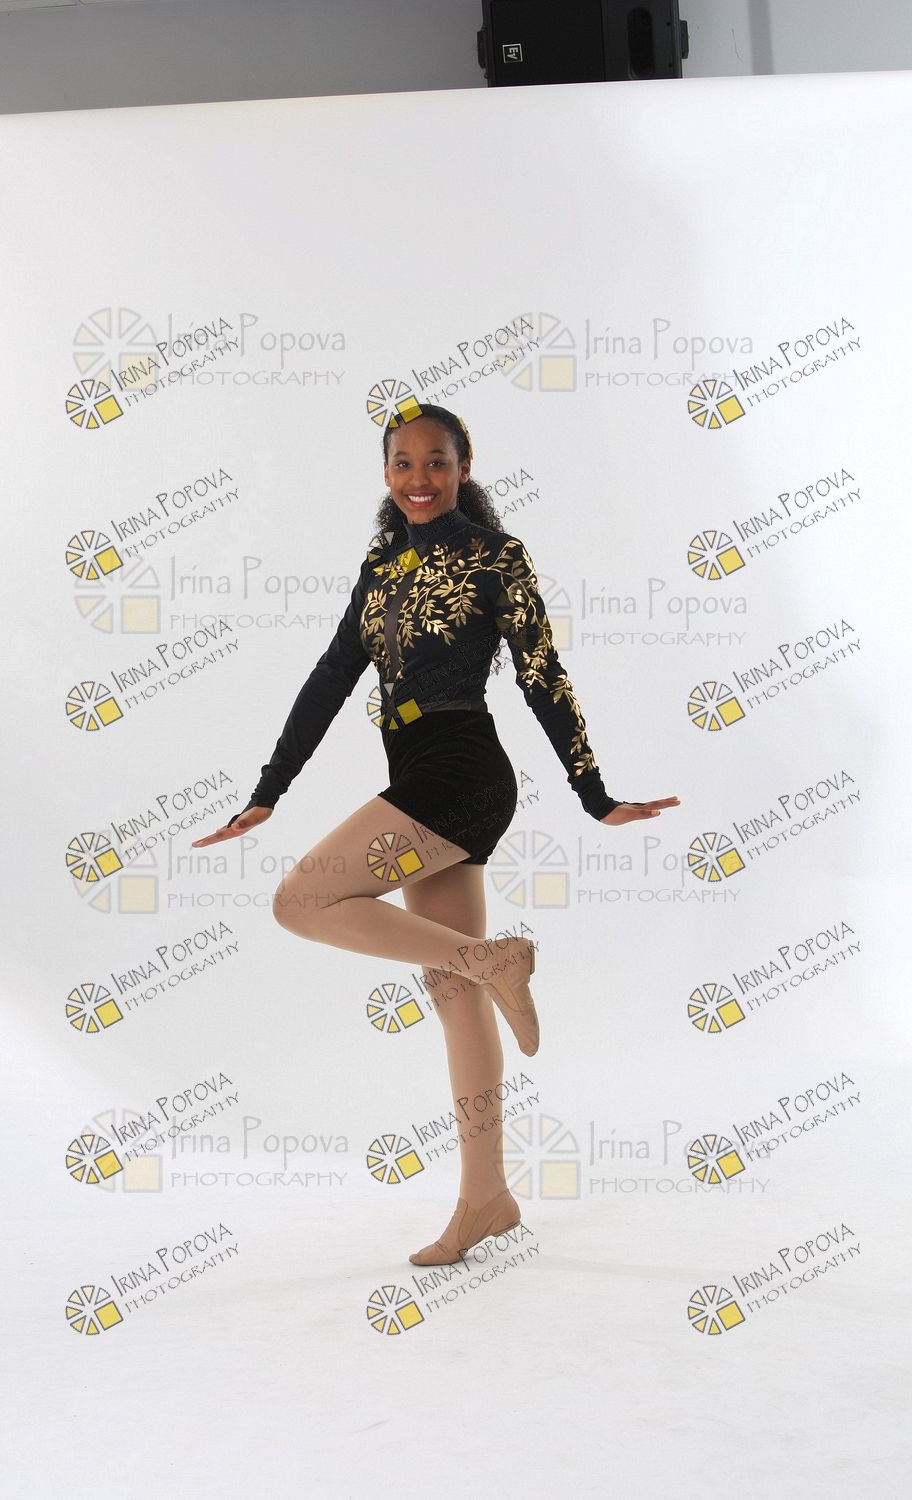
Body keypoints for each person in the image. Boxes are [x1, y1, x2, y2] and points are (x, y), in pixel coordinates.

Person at [192, 403, 678, 1265]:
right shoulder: (381, 564)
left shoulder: (496, 557)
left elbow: (541, 674)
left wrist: (593, 795)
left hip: (461, 774)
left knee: (302, 900)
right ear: (386, 473)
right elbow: (333, 675)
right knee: (454, 995)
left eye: (437, 462)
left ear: (463, 467)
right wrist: (268, 791)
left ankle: (495, 960)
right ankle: (486, 1198)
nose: (420, 478)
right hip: (418, 771)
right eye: (404, 463)